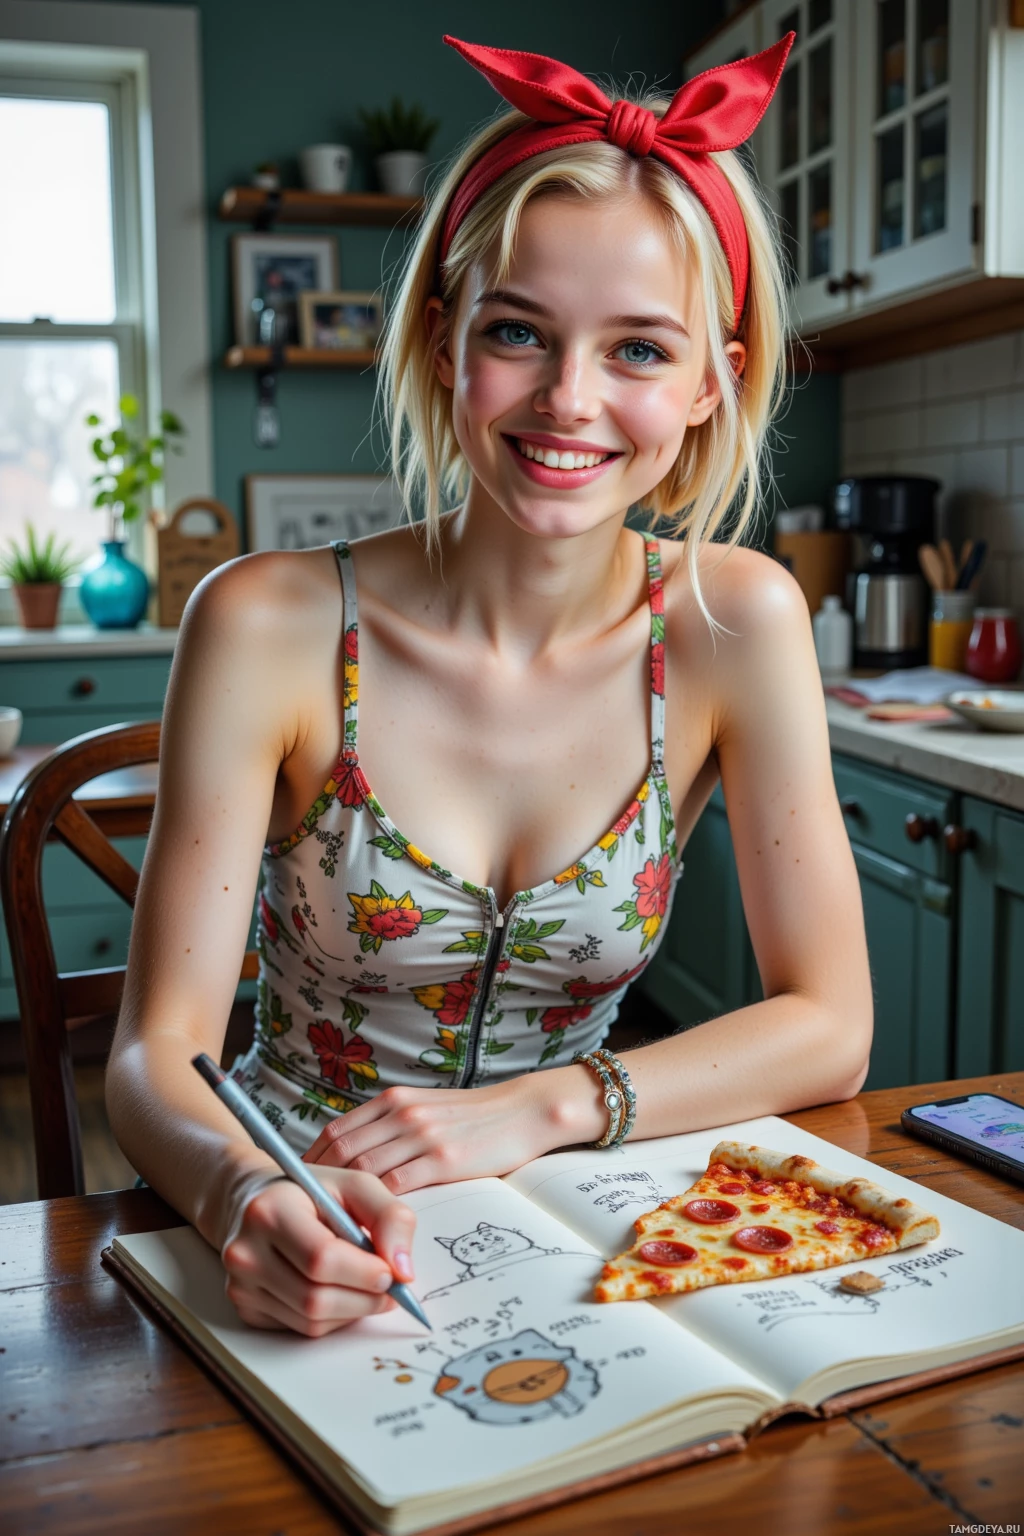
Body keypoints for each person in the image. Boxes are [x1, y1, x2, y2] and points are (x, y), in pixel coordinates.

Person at [106, 33, 872, 1338]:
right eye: (520, 332)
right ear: (444, 337)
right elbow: (150, 1056)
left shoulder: (735, 618)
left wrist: (549, 1106)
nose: (569, 402)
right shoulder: (265, 622)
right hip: (309, 1225)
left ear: (713, 384)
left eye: (639, 351)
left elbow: (832, 1024)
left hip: (588, 1233)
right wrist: (243, 1195)